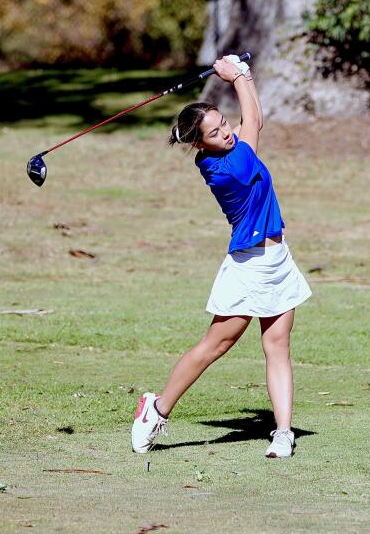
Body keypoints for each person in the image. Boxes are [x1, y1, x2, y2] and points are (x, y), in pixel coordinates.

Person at [131, 55, 312, 458]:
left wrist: (238, 78)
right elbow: (255, 124)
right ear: (199, 144)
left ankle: (282, 432)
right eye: (215, 132)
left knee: (278, 345)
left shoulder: (229, 149)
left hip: (277, 258)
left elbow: (248, 122)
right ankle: (157, 409)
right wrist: (240, 75)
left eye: (224, 124)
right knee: (216, 345)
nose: (226, 133)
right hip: (247, 265)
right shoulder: (224, 168)